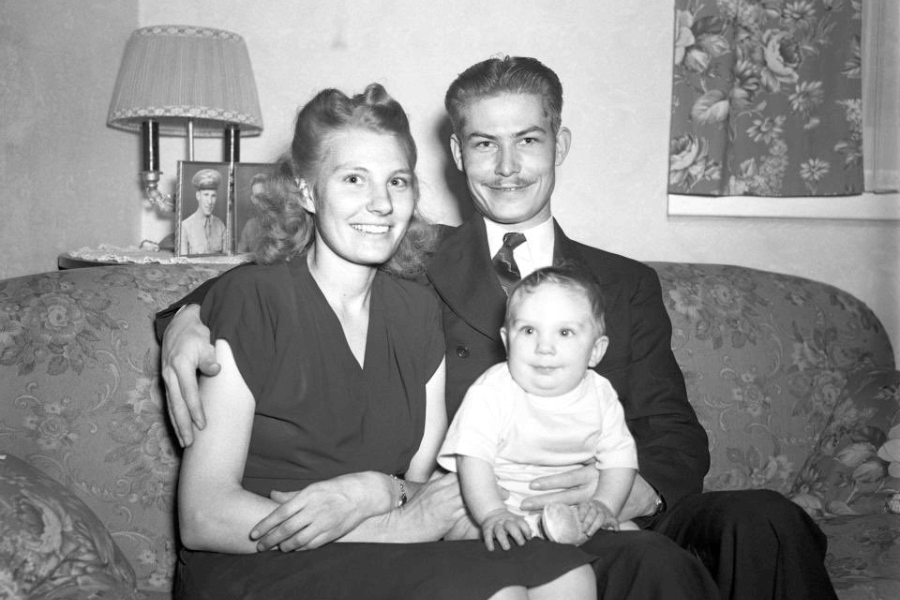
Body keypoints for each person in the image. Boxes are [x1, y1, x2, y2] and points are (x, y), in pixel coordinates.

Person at [157, 56, 838, 600]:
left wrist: (626, 492)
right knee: (645, 566)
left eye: (528, 141)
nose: (508, 166)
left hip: (618, 497)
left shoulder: (626, 283)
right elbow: (288, 281)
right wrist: (183, 320)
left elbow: (674, 428)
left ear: (558, 145)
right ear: (457, 154)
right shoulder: (414, 265)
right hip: (504, 511)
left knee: (767, 519)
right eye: (486, 143)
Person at [173, 82, 596, 600]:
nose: (380, 203)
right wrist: (387, 526)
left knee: (567, 573)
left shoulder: (418, 309)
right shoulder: (253, 300)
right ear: (307, 191)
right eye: (353, 178)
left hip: (381, 554)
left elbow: (423, 488)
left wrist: (386, 493)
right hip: (257, 562)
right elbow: (202, 516)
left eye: (396, 181)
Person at [438, 266, 638, 551]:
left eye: (565, 332)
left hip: (568, 510)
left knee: (634, 539)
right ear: (507, 341)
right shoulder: (491, 391)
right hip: (495, 504)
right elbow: (472, 461)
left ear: (595, 351)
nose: (544, 346)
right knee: (464, 530)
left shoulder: (601, 394)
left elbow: (620, 459)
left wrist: (604, 504)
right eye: (529, 330)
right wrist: (493, 513)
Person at [179, 168, 226, 255]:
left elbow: (228, 260)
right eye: (206, 195)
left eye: (213, 196)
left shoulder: (220, 226)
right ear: (198, 196)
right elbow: (182, 262)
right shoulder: (185, 227)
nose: (210, 201)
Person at [236, 173, 267, 253]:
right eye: (257, 197)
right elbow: (240, 254)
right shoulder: (249, 226)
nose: (260, 201)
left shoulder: (281, 223)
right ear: (253, 199)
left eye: (263, 196)